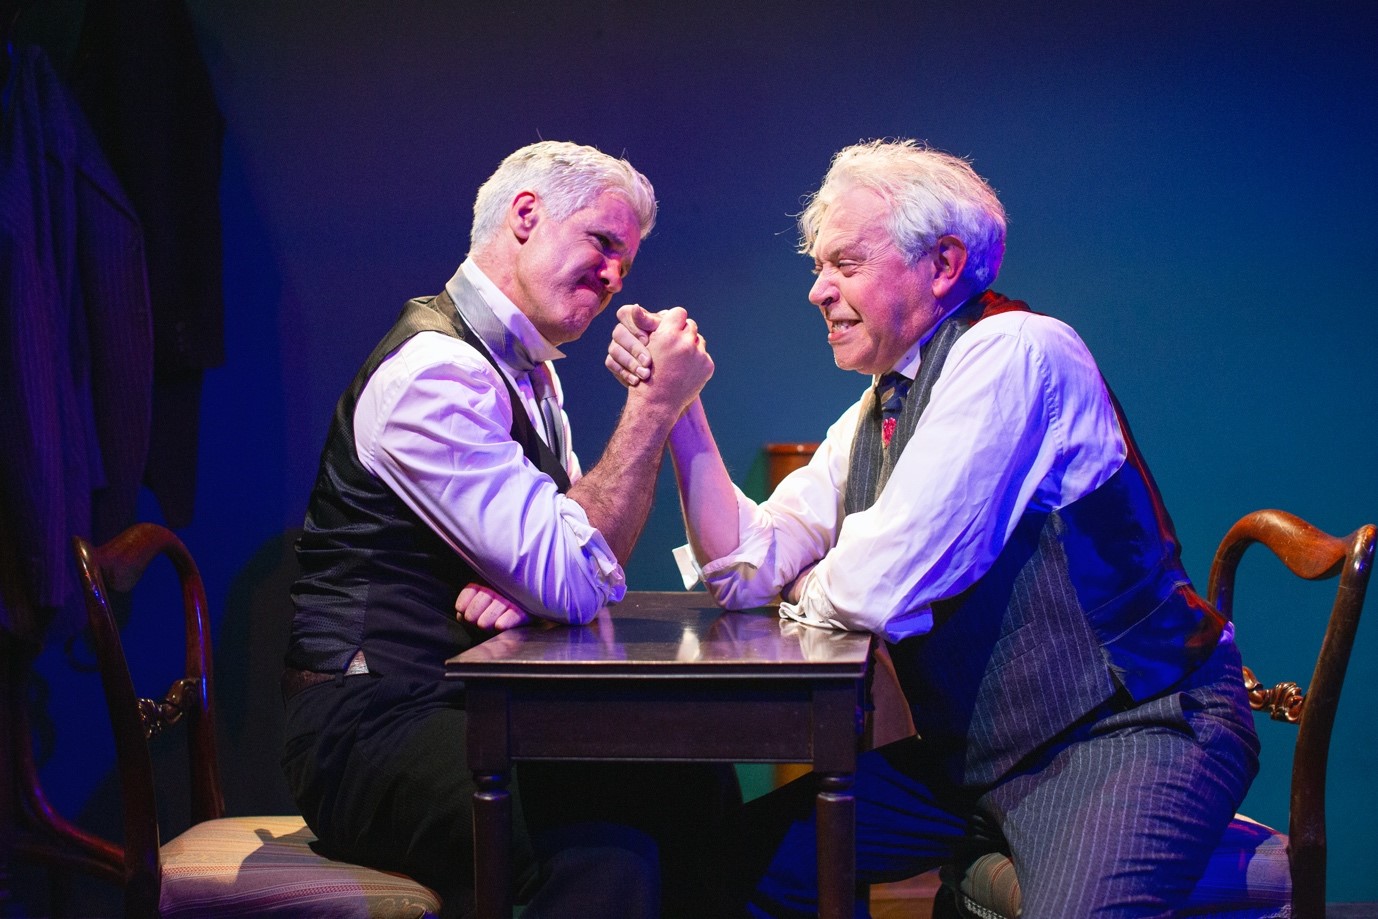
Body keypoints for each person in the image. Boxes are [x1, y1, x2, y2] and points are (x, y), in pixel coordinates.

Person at [607, 139, 1260, 918]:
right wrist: (679, 408)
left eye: (845, 263)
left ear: (943, 263)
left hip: (1128, 731)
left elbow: (880, 588)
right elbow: (747, 569)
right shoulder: (883, 403)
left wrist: (812, 580)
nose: (818, 290)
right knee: (727, 869)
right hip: (982, 756)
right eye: (818, 267)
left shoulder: (1017, 353)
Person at [281, 140, 737, 919]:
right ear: (526, 215)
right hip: (372, 727)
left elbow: (570, 571)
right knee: (604, 852)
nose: (615, 277)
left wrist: (534, 593)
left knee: (697, 787)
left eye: (626, 264)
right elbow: (574, 572)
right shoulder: (435, 371)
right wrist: (655, 406)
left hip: (471, 700)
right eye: (603, 243)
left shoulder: (528, 371)